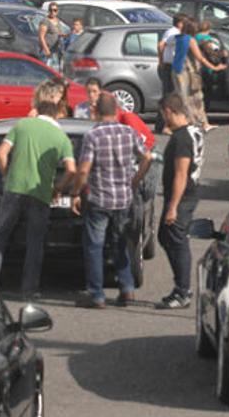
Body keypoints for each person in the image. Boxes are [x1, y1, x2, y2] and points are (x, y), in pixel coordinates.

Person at [0, 79, 77, 300]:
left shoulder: (22, 125)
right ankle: (29, 289)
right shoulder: (60, 137)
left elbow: (0, 153)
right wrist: (58, 189)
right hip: (41, 193)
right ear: (54, 115)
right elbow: (71, 170)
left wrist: (7, 174)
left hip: (14, 188)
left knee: (0, 235)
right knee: (35, 242)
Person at [71, 94, 152, 308]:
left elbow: (84, 169)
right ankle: (127, 288)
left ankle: (96, 294)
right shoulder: (128, 132)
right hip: (123, 198)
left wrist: (76, 192)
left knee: (94, 246)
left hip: (99, 198)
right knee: (120, 243)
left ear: (96, 112)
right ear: (116, 111)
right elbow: (147, 157)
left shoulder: (93, 136)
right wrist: (135, 180)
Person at [156, 93, 205, 309]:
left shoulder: (182, 139)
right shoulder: (192, 131)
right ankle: (182, 285)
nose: (162, 119)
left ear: (169, 111)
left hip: (182, 197)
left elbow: (181, 174)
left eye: (163, 114)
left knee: (176, 239)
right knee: (165, 236)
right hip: (185, 195)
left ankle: (182, 291)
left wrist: (173, 207)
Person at [172, 18, 225, 131]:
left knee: (188, 98)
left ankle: (200, 123)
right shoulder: (190, 40)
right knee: (192, 98)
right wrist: (215, 67)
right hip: (186, 71)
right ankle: (196, 124)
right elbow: (200, 57)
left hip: (177, 70)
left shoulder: (179, 38)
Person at [156, 13, 186, 133]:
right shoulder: (175, 33)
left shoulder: (169, 31)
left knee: (168, 96)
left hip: (168, 65)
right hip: (170, 67)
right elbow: (161, 45)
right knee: (170, 97)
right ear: (180, 23)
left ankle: (163, 125)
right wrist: (161, 60)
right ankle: (166, 126)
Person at [38, 2, 66, 70]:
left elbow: (57, 33)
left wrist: (64, 35)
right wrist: (46, 50)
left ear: (57, 11)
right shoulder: (45, 21)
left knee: (54, 71)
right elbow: (41, 37)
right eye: (51, 10)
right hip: (47, 50)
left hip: (55, 50)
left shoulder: (57, 20)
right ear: (48, 11)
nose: (53, 12)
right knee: (45, 70)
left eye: (55, 10)